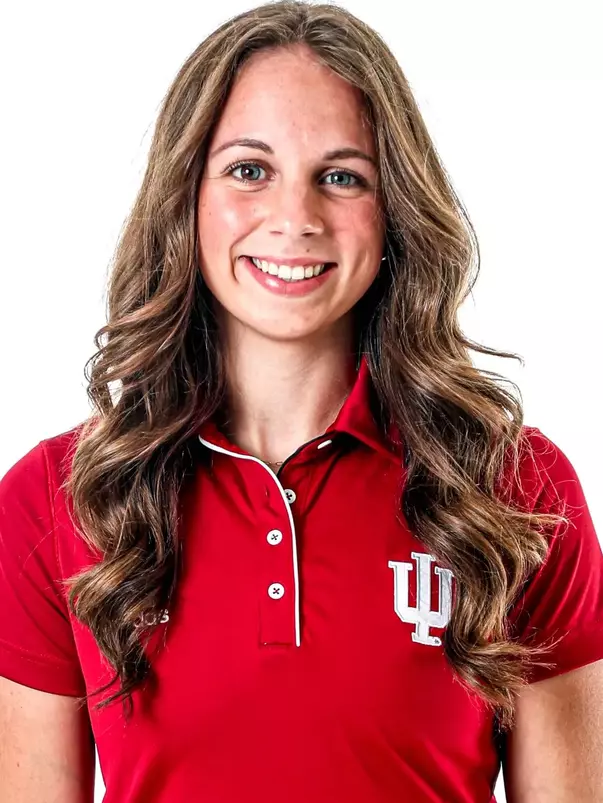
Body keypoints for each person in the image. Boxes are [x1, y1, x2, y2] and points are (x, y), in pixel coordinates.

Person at [1, 1, 602, 801]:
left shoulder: (516, 490)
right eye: (249, 170)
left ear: (393, 210)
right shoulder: (54, 498)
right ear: (186, 194)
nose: (295, 219)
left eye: (342, 176)